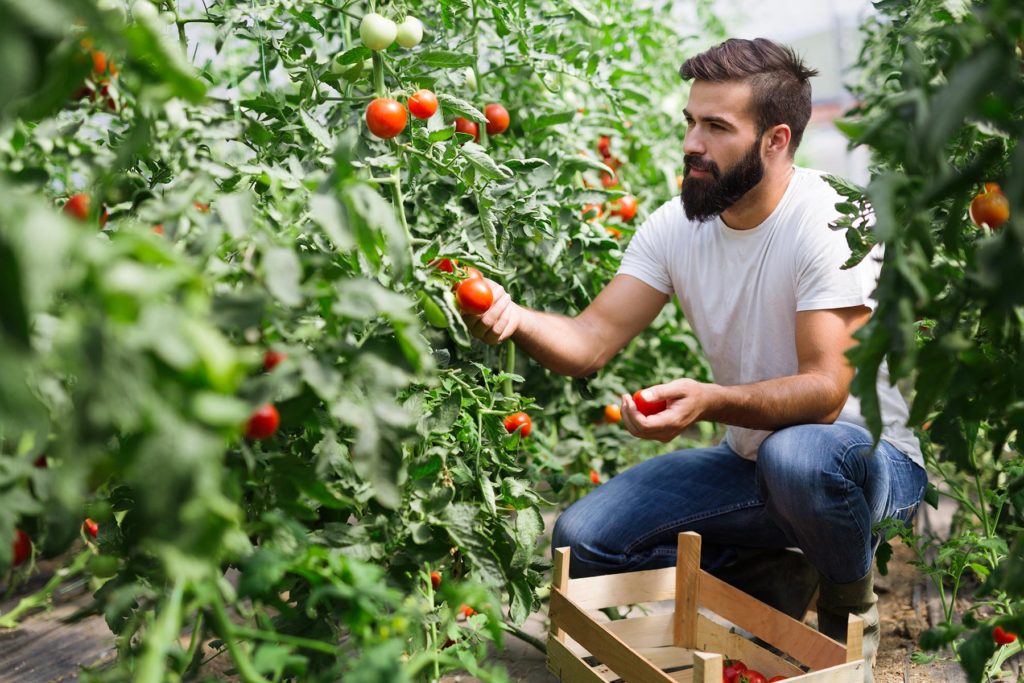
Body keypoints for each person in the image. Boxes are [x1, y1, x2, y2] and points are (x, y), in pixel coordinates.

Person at [462, 37, 927, 682]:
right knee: (584, 538)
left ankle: (848, 606)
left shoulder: (831, 220)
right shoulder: (675, 226)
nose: (692, 144)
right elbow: (589, 341)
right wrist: (512, 319)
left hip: (863, 460)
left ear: (775, 139)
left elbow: (825, 392)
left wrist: (710, 400)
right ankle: (777, 569)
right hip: (751, 462)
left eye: (716, 127)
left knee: (795, 456)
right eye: (691, 122)